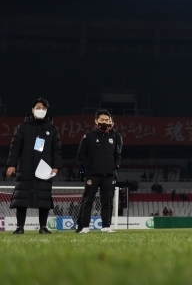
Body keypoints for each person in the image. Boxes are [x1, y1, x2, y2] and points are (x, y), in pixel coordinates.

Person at [5, 98, 62, 234]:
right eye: (38, 107)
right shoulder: (23, 127)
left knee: (44, 199)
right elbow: (15, 147)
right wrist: (12, 164)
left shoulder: (52, 129)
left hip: (44, 169)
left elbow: (57, 150)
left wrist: (56, 166)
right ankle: (20, 227)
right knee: (22, 199)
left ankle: (43, 227)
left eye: (43, 108)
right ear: (32, 109)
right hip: (25, 169)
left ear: (46, 111)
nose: (40, 110)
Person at [75, 109, 123, 234]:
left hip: (108, 176)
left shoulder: (114, 137)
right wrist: (90, 166)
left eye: (107, 120)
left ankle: (106, 226)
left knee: (107, 202)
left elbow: (117, 155)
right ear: (96, 121)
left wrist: (115, 167)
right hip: (92, 175)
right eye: (102, 120)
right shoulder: (88, 136)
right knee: (88, 201)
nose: (105, 122)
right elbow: (80, 155)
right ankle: (85, 226)